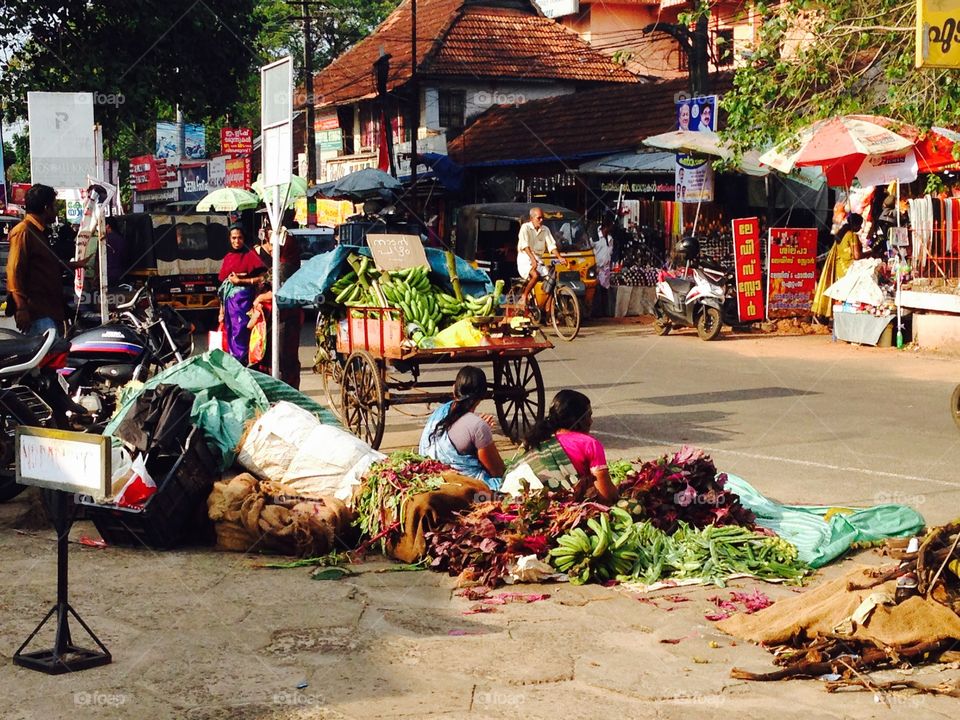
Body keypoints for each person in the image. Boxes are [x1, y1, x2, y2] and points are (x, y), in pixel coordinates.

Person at [512, 390, 618, 504]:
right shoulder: (589, 444)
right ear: (579, 420)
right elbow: (606, 496)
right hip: (543, 504)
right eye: (589, 415)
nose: (591, 421)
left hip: (511, 498)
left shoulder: (536, 438)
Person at [419, 366, 505, 489]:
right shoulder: (477, 426)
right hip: (463, 486)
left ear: (454, 389)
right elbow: (497, 471)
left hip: (430, 478)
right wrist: (481, 433)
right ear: (483, 395)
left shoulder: (440, 411)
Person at [5, 184, 68, 336]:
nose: (56, 210)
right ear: (46, 208)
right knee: (48, 359)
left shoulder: (39, 232)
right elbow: (14, 271)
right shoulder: (23, 231)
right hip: (38, 314)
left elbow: (42, 265)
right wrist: (21, 307)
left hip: (50, 310)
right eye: (54, 205)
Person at [247, 225, 303, 388]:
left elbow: (278, 292)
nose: (271, 249)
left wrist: (259, 299)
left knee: (282, 356)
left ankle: (286, 390)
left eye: (275, 246)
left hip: (285, 317)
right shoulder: (280, 264)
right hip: (276, 316)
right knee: (273, 355)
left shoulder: (286, 267)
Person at [217, 225, 265, 364]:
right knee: (231, 331)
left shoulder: (251, 255)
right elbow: (222, 288)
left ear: (244, 239)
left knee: (242, 331)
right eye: (233, 238)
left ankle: (242, 361)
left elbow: (263, 278)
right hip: (229, 304)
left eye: (240, 238)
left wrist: (242, 281)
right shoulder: (228, 257)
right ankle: (234, 361)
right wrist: (221, 311)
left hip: (245, 302)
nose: (237, 241)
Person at [811, 213, 863, 319]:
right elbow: (857, 256)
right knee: (850, 296)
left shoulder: (841, 235)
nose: (861, 227)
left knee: (840, 295)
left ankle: (837, 318)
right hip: (849, 269)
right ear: (855, 225)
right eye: (860, 225)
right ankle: (846, 318)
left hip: (840, 268)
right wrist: (870, 253)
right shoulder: (852, 235)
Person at [517, 207, 565, 310]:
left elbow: (551, 245)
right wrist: (532, 259)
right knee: (535, 275)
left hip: (537, 258)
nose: (541, 220)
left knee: (552, 280)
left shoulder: (545, 229)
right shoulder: (525, 228)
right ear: (532, 218)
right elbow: (525, 246)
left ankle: (548, 309)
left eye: (542, 218)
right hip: (525, 257)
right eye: (539, 218)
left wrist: (560, 257)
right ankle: (524, 296)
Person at [592, 214, 615, 318]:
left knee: (605, 291)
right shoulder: (595, 236)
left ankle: (604, 312)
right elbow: (591, 251)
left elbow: (610, 252)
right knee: (597, 291)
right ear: (606, 227)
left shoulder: (610, 239)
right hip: (597, 268)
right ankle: (596, 313)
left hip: (606, 269)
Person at [103, 216, 128, 288]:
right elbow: (124, 256)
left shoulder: (104, 240)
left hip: (107, 274)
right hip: (120, 273)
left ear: (107, 226)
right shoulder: (121, 239)